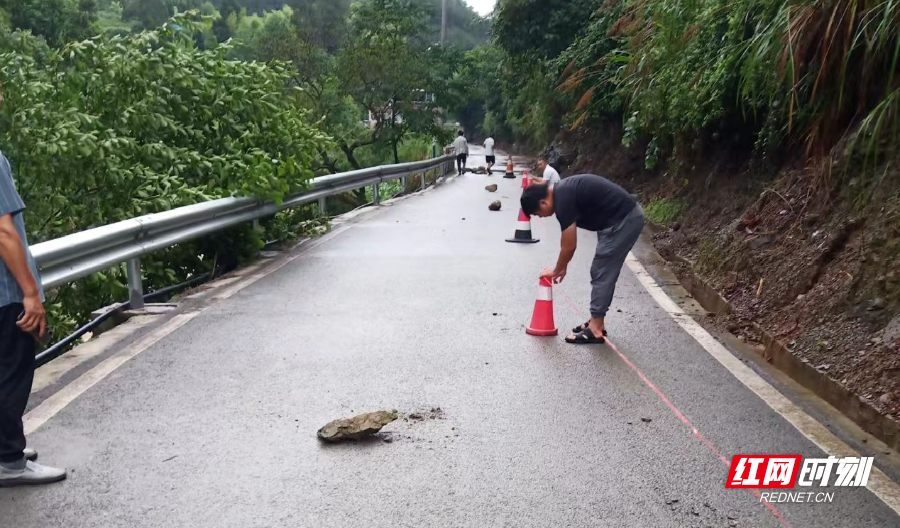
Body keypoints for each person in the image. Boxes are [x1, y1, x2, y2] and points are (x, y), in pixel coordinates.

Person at [0, 109, 67, 486]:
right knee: (11, 374)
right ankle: (10, 461)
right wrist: (29, 292)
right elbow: (4, 233)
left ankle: (5, 448)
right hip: (5, 293)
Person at [520, 174, 644, 344]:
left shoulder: (562, 199)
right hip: (618, 218)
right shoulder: (562, 192)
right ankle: (596, 320)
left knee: (602, 270)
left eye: (537, 213)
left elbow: (569, 244)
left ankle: (595, 328)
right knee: (602, 270)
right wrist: (562, 267)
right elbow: (567, 243)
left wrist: (557, 269)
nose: (540, 217)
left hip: (624, 219)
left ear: (543, 202)